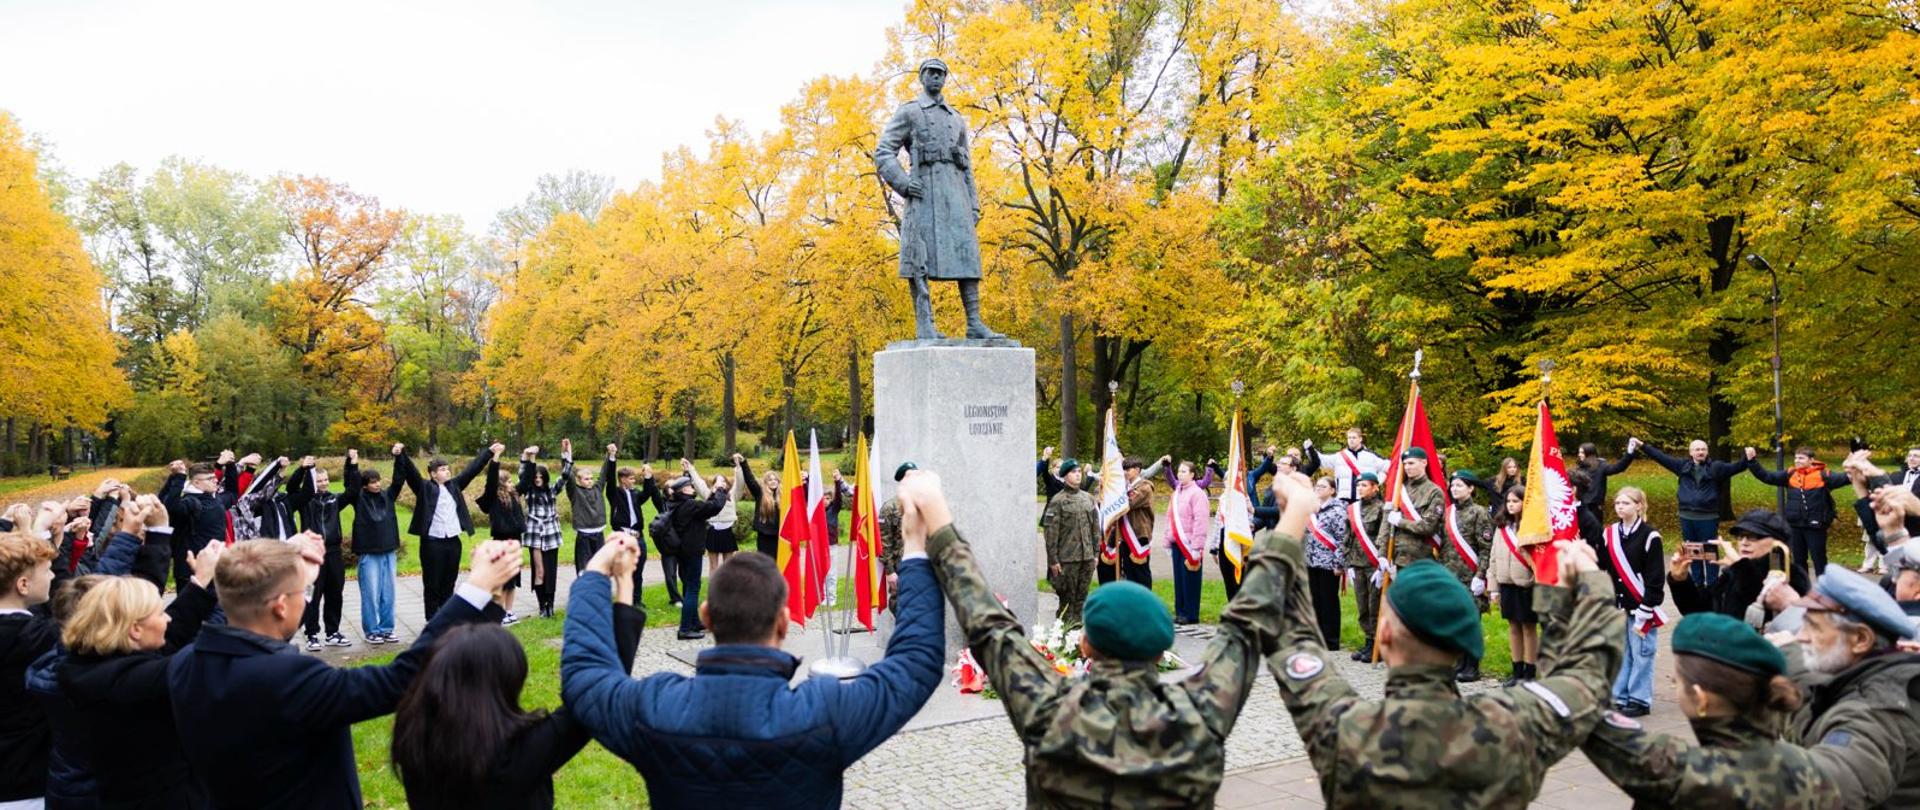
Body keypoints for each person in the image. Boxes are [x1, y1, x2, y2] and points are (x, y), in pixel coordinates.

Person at [928, 466, 1305, 804]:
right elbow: (1244, 628)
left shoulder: (1050, 712)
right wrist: (1293, 520)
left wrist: (936, 521)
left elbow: (990, 627)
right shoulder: (1198, 716)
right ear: (1161, 654)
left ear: (1084, 643)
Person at [561, 521, 942, 807]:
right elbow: (915, 663)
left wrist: (597, 570)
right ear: (784, 622)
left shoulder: (656, 707)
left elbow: (586, 677)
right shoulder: (824, 712)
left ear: (706, 617)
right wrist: (915, 545)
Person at [1270, 515, 1617, 809]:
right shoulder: (1513, 726)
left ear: (1385, 636)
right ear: (1467, 643)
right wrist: (1587, 579)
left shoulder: (1344, 729)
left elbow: (1286, 633)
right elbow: (1587, 674)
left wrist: (1291, 522)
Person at [169, 536, 519, 809]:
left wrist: (285, 570)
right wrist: (475, 589)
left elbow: (249, 620)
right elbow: (402, 678)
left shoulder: (185, 664)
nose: (305, 599)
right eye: (300, 594)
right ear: (279, 605)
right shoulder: (289, 678)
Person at [392, 537, 644, 810]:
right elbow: (598, 696)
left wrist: (489, 589)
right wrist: (623, 582)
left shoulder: (414, 740)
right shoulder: (516, 757)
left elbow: (436, 655)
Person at [1579, 612, 1842, 809]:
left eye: (1677, 681)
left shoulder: (1687, 779)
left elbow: (1589, 716)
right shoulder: (1813, 770)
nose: (1674, 686)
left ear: (1702, 699)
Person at [53, 537, 222, 809]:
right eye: (159, 613)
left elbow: (173, 633)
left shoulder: (93, 664)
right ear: (134, 630)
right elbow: (207, 658)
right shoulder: (125, 681)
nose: (167, 618)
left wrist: (201, 583)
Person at [1770, 565, 1920, 806]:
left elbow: (1832, 785)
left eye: (1813, 627)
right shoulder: (1869, 676)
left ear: (1860, 640)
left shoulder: (1878, 709)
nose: (1800, 637)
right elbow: (1816, 723)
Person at [392, 442, 492, 623]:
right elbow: (411, 472)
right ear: (433, 474)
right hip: (432, 542)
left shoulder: (455, 486)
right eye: (443, 470)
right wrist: (401, 454)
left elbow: (472, 470)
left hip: (453, 542)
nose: (447, 472)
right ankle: (432, 619)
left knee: (449, 582)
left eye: (448, 469)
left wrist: (489, 452)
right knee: (432, 583)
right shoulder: (424, 488)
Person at [0, 524, 59, 808]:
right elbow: (93, 617)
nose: (52, 576)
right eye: (47, 571)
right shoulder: (37, 638)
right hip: (24, 783)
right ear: (23, 585)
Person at [1667, 508, 1807, 627]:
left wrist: (1740, 567)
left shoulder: (1789, 575)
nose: (1744, 542)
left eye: (1754, 537)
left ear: (1777, 542)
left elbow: (1766, 612)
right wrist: (1680, 581)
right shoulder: (1733, 572)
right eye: (1740, 537)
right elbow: (1697, 611)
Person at [1636, 437, 1746, 587]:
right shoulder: (1682, 466)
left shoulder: (1716, 467)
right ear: (1691, 452)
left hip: (1708, 517)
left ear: (1707, 451)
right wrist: (1643, 446)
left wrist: (1748, 457)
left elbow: (1737, 467)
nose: (1700, 452)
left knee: (1709, 551)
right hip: (1687, 516)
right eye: (1697, 449)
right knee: (1692, 551)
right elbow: (1661, 457)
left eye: (1703, 449)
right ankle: (1697, 583)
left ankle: (1713, 584)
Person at [1600, 486, 1665, 717]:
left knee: (1642, 652)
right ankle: (1620, 696)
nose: (1620, 507)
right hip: (1618, 603)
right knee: (1621, 651)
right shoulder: (1609, 534)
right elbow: (1604, 567)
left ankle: (1640, 699)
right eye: (1617, 503)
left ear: (1639, 506)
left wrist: (1647, 607)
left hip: (1641, 605)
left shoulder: (1650, 536)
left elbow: (1655, 577)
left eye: (1626, 503)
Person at [1744, 445, 1850, 575]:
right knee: (1798, 561)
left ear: (1811, 460)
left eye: (1801, 458)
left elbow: (1845, 479)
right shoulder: (1791, 474)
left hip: (1815, 526)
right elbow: (1767, 476)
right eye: (1796, 458)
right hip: (1794, 526)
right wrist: (1752, 461)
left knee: (1819, 560)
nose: (1797, 461)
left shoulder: (1823, 474)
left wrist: (1854, 467)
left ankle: (1823, 591)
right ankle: (1803, 590)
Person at [656, 460, 729, 640]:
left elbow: (706, 507)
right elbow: (715, 507)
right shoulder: (690, 505)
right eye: (689, 486)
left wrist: (688, 472)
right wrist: (719, 489)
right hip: (692, 551)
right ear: (684, 490)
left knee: (689, 585)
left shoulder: (677, 503)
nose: (692, 488)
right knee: (693, 589)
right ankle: (685, 628)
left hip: (682, 551)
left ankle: (694, 622)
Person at [287, 455, 351, 650]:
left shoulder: (335, 499)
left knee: (335, 593)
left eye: (325, 480)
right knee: (312, 595)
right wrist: (303, 469)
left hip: (333, 552)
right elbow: (291, 488)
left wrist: (352, 464)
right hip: (311, 554)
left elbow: (353, 489)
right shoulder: (305, 501)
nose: (323, 484)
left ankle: (333, 632)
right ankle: (311, 633)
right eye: (319, 480)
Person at [341, 448, 402, 643]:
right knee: (370, 594)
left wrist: (399, 457)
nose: (377, 485)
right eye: (372, 483)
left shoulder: (388, 496)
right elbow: (351, 483)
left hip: (388, 551)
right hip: (369, 552)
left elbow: (399, 479)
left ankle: (386, 628)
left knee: (388, 594)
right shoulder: (358, 498)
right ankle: (371, 631)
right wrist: (352, 462)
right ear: (365, 486)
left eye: (378, 481)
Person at [158, 452, 238, 592]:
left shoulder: (216, 500)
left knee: (216, 611)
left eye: (214, 477)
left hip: (215, 568)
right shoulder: (190, 502)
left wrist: (230, 465)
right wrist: (178, 477)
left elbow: (232, 493)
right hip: (189, 571)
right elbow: (170, 506)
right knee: (189, 612)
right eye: (210, 479)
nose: (215, 481)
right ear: (196, 483)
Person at [1441, 470, 1493, 682]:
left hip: (1470, 577)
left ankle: (1472, 665)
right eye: (1453, 485)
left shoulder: (1480, 513)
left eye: (1460, 485)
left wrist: (1481, 575)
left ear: (1471, 488)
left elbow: (1485, 547)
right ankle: (1459, 662)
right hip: (1450, 576)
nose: (1455, 489)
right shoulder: (1448, 512)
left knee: (1470, 621)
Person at [1489, 485, 1539, 685]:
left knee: (1528, 627)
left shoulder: (1533, 527)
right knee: (1513, 627)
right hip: (1506, 582)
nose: (1510, 505)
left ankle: (1530, 671)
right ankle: (1516, 669)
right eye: (1508, 501)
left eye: (1515, 501)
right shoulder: (1502, 527)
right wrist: (1493, 586)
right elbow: (1493, 557)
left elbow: (1539, 558)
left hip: (1526, 583)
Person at [602, 444, 663, 604]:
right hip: (622, 536)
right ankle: (624, 600)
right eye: (631, 478)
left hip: (638, 537)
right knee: (624, 571)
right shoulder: (614, 494)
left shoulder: (636, 494)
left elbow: (648, 493)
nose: (633, 480)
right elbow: (609, 477)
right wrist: (612, 456)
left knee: (638, 571)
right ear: (622, 479)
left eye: (634, 478)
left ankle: (637, 600)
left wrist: (649, 477)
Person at [1042, 458, 1099, 624]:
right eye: (1073, 472)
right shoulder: (1058, 500)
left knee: (1081, 599)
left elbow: (1095, 527)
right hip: (1067, 559)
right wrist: (1053, 560)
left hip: (1087, 557)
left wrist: (1096, 553)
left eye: (1079, 472)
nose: (1077, 475)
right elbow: (1051, 533)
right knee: (1067, 600)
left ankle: (1077, 640)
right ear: (1065, 476)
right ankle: (1062, 639)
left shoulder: (1088, 498)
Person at [476, 444, 528, 626]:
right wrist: (496, 456)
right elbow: (490, 481)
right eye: (508, 481)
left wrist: (530, 458)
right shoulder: (493, 498)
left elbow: (527, 480)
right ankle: (498, 612)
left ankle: (509, 611)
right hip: (501, 542)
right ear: (501, 484)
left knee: (513, 579)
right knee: (502, 580)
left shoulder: (514, 494)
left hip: (516, 541)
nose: (512, 484)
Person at [1100, 456, 1162, 589]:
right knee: (1129, 571)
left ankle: (1145, 602)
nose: (1125, 472)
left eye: (1128, 469)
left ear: (1138, 470)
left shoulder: (1145, 487)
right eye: (1124, 469)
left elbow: (1127, 504)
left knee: (1141, 572)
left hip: (1139, 535)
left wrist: (1115, 494)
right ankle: (1133, 602)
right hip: (1125, 535)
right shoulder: (1126, 487)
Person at [1345, 472, 1388, 661]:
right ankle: (1369, 642)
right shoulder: (1353, 509)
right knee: (1362, 605)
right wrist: (1348, 563)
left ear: (1375, 487)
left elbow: (1384, 537)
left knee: (1375, 605)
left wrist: (1381, 564)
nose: (1360, 488)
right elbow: (1348, 536)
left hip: (1373, 564)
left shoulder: (1381, 509)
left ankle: (1378, 645)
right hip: (1357, 562)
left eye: (1364, 485)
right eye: (1358, 485)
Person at [519, 446, 565, 618]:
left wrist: (566, 453)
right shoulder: (528, 491)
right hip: (535, 533)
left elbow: (566, 475)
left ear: (545, 478)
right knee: (539, 570)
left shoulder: (552, 490)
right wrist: (528, 456)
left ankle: (550, 605)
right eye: (535, 476)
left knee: (551, 571)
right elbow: (522, 473)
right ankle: (542, 606)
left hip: (551, 533)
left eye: (540, 476)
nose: (537, 479)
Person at [557, 439, 610, 580]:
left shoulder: (598, 488)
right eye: (586, 479)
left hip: (599, 534)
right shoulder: (575, 491)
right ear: (579, 481)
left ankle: (599, 593)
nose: (590, 481)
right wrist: (566, 455)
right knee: (584, 569)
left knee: (600, 568)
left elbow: (604, 474)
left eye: (591, 478)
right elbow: (568, 475)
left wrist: (609, 455)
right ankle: (584, 593)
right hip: (584, 535)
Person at [1305, 475, 1348, 651]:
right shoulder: (1312, 509)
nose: (1318, 489)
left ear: (1332, 490)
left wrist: (1339, 563)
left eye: (1323, 487)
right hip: (1311, 561)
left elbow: (1342, 539)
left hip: (1329, 563)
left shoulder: (1338, 510)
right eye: (1317, 486)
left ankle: (1331, 640)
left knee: (1328, 600)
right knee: (1314, 599)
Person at [1384, 447, 1445, 570]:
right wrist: (1382, 555)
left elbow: (1428, 527)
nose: (1407, 467)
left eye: (1411, 463)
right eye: (1405, 464)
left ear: (1424, 463)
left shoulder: (1434, 492)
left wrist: (1400, 522)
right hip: (1396, 556)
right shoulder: (1399, 490)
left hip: (1421, 559)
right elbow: (1386, 525)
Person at [1166, 459, 1210, 624]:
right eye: (1179, 471)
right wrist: (1167, 540)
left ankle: (1191, 614)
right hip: (1177, 541)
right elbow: (1170, 517)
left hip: (1190, 544)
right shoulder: (1176, 492)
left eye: (1184, 471)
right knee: (1179, 579)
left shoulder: (1198, 493)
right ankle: (1180, 611)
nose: (1180, 474)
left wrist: (1197, 546)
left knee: (1190, 578)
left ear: (1192, 475)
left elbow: (1201, 521)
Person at [1305, 428, 1389, 503]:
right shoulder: (1339, 456)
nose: (1351, 440)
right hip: (1343, 498)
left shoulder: (1371, 456)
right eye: (1349, 438)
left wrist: (1377, 481)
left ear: (1360, 439)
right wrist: (1310, 450)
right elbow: (1321, 461)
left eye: (1354, 438)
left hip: (1364, 499)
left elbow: (1388, 467)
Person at [705, 457, 744, 573]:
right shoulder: (709, 495)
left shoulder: (732, 495)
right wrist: (690, 470)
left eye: (723, 481)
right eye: (717, 481)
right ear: (713, 485)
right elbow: (698, 483)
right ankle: (714, 590)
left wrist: (738, 467)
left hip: (727, 531)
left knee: (728, 566)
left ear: (727, 484)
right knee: (713, 566)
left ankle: (728, 590)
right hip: (713, 531)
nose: (720, 483)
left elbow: (740, 484)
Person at [1575, 441, 1637, 515]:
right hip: (1581, 508)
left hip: (1595, 509)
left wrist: (1629, 453)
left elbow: (1618, 468)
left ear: (1589, 453)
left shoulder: (1601, 466)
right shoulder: (1578, 469)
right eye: (1579, 452)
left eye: (1582, 452)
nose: (1579, 455)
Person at [736, 458, 781, 557]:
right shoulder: (760, 493)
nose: (773, 482)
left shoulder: (783, 496)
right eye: (770, 480)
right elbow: (750, 480)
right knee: (765, 564)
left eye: (775, 479)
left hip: (780, 537)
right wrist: (743, 463)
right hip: (764, 537)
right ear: (766, 482)